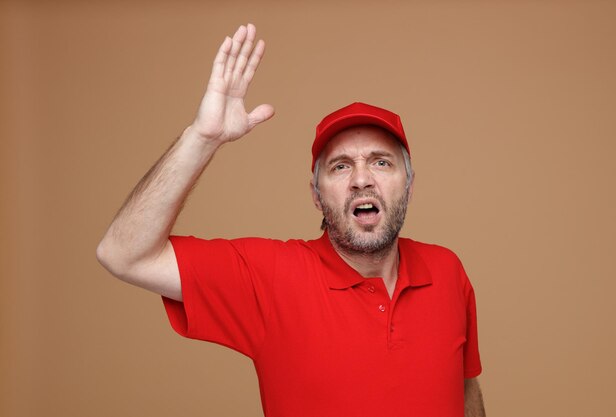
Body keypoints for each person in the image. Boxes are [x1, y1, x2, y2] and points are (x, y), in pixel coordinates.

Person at [97, 24, 486, 417]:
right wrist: (203, 138)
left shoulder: (447, 271)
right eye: (340, 166)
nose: (362, 178)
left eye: (381, 162)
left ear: (410, 185)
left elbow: (465, 388)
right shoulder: (270, 277)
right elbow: (123, 254)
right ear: (316, 195)